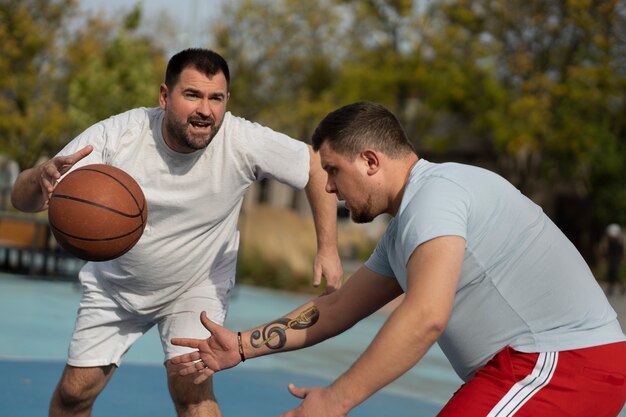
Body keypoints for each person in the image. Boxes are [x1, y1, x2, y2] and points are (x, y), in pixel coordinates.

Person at [170, 101, 626, 417]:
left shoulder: (437, 196)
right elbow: (337, 308)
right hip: (540, 368)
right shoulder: (408, 224)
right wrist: (244, 345)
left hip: (560, 365)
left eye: (333, 170)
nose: (328, 188)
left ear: (370, 161)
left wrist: (336, 400)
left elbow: (426, 315)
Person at [10, 48, 343, 417]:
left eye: (215, 98)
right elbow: (22, 200)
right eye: (192, 95)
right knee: (74, 395)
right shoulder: (119, 135)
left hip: (195, 287)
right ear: (165, 96)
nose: (205, 109)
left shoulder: (242, 140)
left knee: (192, 393)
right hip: (116, 286)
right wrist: (38, 177)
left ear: (226, 100)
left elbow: (314, 166)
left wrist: (328, 247)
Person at [605, 223, 625, 296]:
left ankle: (620, 288)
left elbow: (620, 253)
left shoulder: (616, 244)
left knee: (615, 275)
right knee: (612, 275)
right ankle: (611, 289)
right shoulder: (611, 243)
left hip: (615, 261)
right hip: (613, 261)